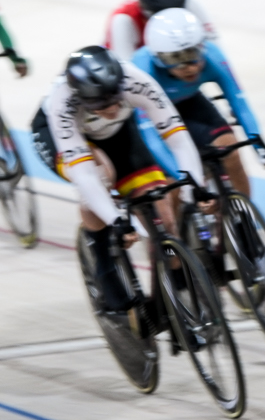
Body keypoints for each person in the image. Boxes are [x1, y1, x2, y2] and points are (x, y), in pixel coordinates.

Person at [35, 47, 209, 316]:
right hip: (63, 138)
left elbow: (178, 139)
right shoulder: (63, 104)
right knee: (100, 176)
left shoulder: (136, 80)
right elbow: (84, 176)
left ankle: (171, 298)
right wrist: (116, 220)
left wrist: (193, 189)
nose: (113, 108)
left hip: (117, 134)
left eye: (116, 99)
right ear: (82, 98)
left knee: (161, 204)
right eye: (101, 105)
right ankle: (104, 267)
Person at [132, 8, 265, 201]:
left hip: (190, 103)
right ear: (159, 59)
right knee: (172, 190)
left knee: (230, 150)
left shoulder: (213, 56)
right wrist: (185, 179)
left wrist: (260, 148)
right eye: (176, 59)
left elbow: (239, 102)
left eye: (193, 53)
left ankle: (243, 220)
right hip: (155, 115)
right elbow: (151, 140)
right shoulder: (142, 72)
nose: (190, 66)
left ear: (202, 46)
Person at [105, 0, 219, 65]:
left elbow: (216, 50)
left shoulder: (190, 4)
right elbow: (128, 70)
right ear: (145, 12)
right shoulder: (124, 20)